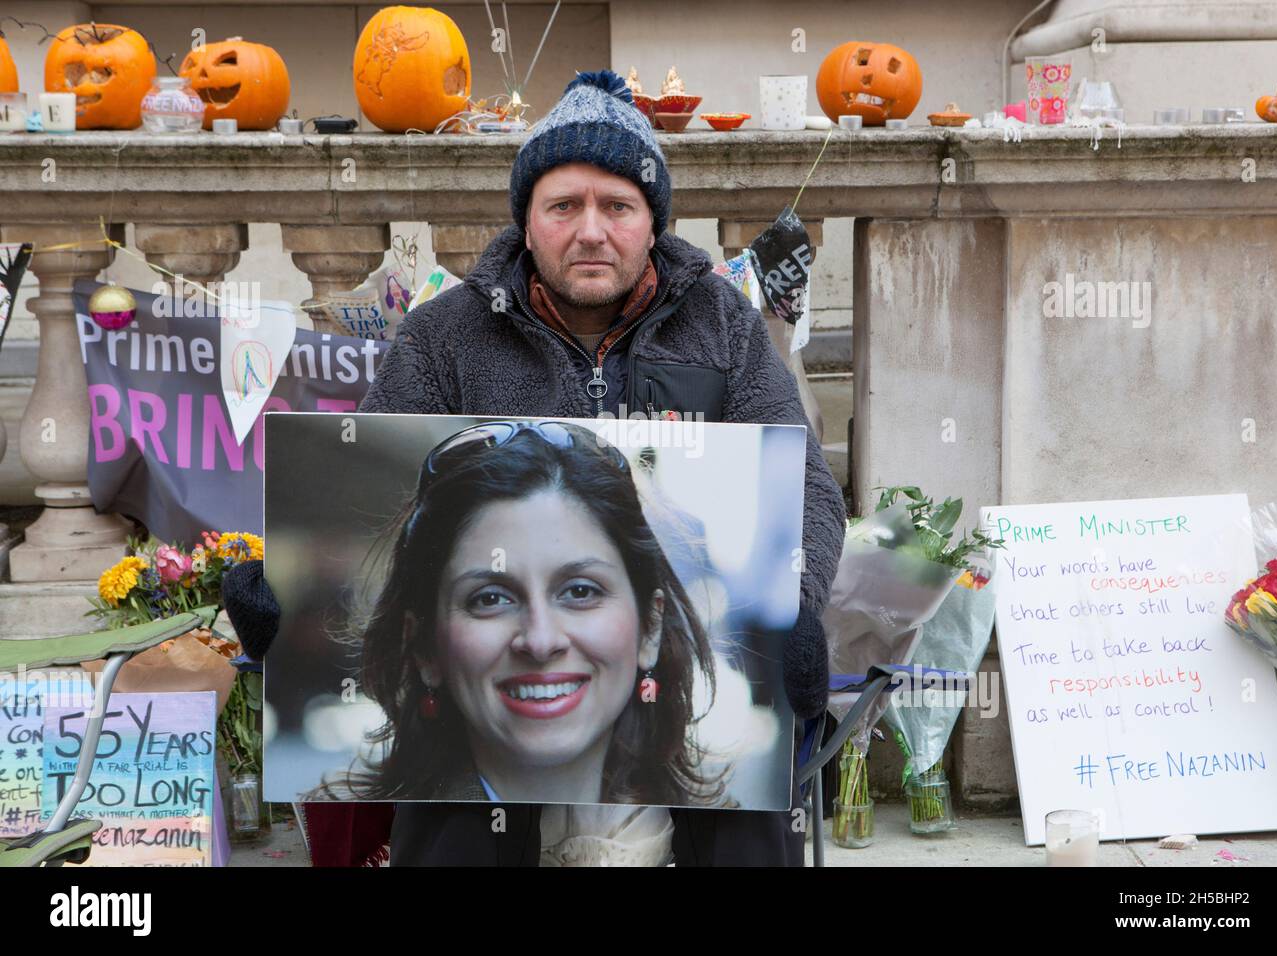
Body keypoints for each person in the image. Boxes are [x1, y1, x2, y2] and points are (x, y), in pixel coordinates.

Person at [225, 68, 846, 866]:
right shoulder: (441, 335)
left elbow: (808, 490)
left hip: (656, 735)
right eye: (564, 206)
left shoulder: (723, 324)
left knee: (746, 831)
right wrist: (274, 592)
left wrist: (799, 607)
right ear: (527, 222)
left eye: (617, 207)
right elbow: (350, 481)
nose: (591, 231)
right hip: (481, 759)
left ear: (651, 223)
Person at [321, 419, 728, 812]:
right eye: (490, 599)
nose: (540, 640)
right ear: (425, 647)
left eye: (580, 591)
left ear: (650, 629)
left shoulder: (729, 844)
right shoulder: (346, 843)